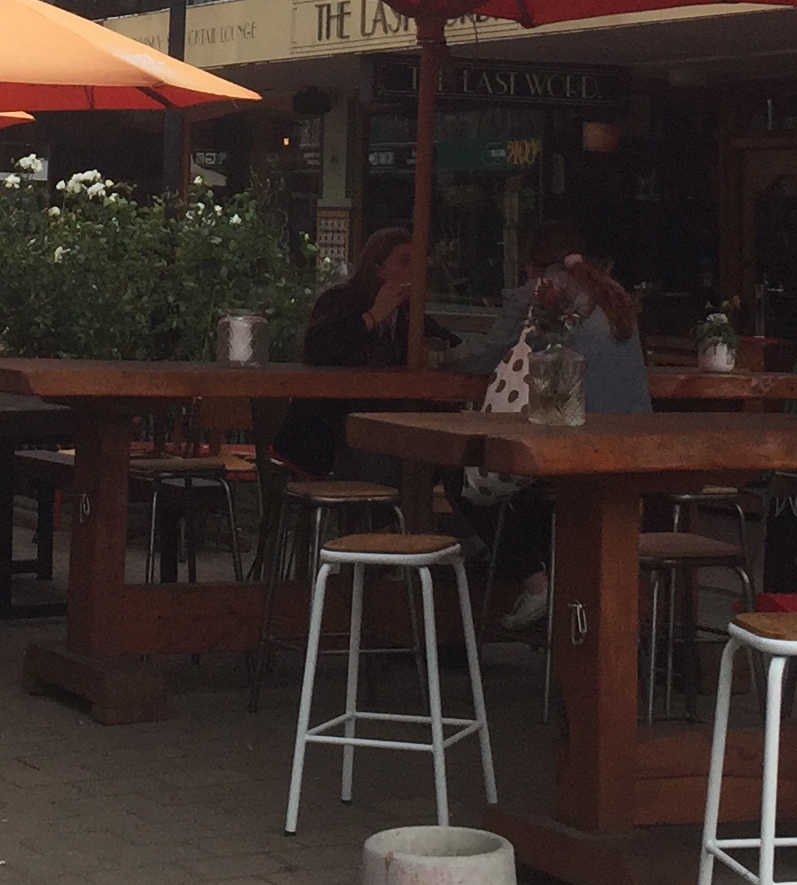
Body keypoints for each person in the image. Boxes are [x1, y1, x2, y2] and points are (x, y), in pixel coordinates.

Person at [450, 219, 647, 630]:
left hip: (574, 447)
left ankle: (537, 580)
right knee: (538, 495)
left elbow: (510, 356)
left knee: (460, 474)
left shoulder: (547, 295)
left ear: (536, 267)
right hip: (633, 449)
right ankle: (566, 589)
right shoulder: (612, 297)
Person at [270, 226, 416, 480]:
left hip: (382, 425)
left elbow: (447, 343)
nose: (414, 271)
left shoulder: (409, 316)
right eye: (405, 261)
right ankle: (383, 520)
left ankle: (404, 518)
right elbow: (320, 348)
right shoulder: (340, 300)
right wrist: (371, 318)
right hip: (328, 433)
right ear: (377, 266)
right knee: (385, 461)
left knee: (428, 459)